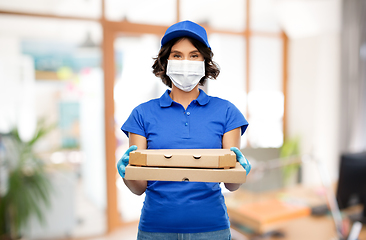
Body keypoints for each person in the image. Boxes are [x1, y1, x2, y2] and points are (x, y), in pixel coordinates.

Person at [117, 20, 251, 240]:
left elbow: (231, 184)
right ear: (165, 61)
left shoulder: (227, 112)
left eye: (194, 55)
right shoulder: (142, 114)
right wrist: (126, 173)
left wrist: (240, 170)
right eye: (177, 55)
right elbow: (138, 187)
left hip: (211, 228)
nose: (185, 62)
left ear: (205, 61)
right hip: (156, 228)